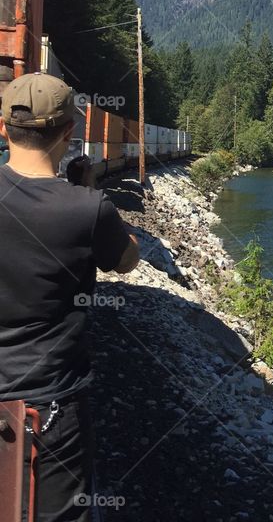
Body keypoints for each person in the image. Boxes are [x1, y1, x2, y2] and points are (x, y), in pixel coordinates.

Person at [0, 72, 139, 521]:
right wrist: (90, 195)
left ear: (3, 128)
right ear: (68, 131)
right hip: (49, 405)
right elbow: (126, 260)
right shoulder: (86, 209)